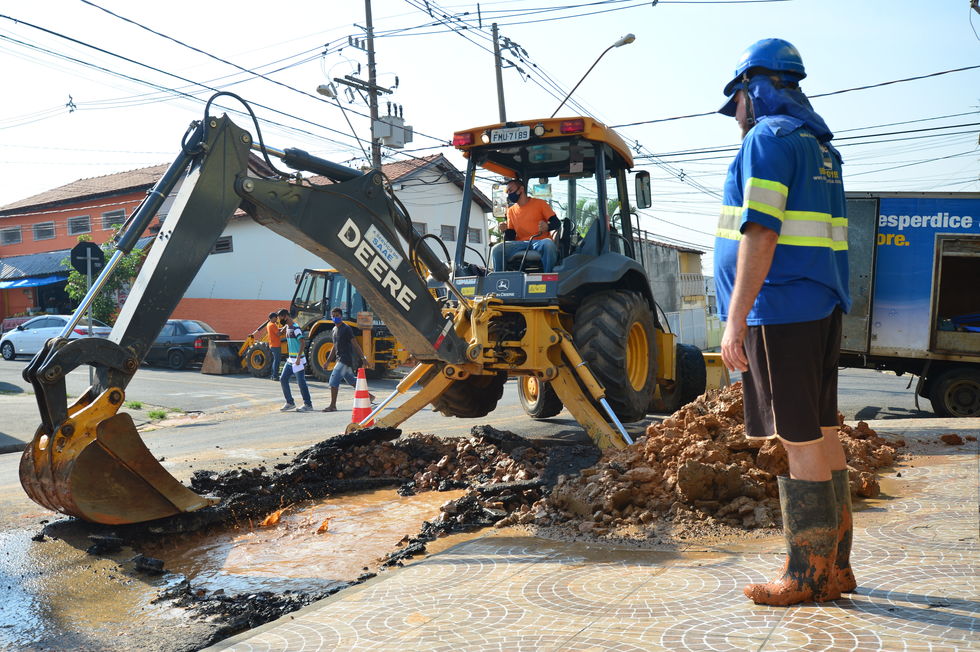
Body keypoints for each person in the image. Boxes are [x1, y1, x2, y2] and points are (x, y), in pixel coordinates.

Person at [714, 38, 852, 606]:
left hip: (781, 307)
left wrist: (735, 320)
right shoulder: (819, 146)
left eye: (737, 101)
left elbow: (762, 232)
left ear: (753, 90)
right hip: (817, 304)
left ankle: (807, 573)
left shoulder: (768, 140)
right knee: (820, 432)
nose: (736, 116)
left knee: (798, 438)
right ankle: (835, 567)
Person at [490, 179, 560, 273]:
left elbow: (556, 223)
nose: (509, 194)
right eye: (507, 192)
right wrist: (505, 230)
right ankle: (500, 281)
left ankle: (548, 276)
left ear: (521, 189)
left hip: (540, 242)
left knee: (549, 244)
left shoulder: (540, 204)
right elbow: (511, 236)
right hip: (520, 244)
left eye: (510, 190)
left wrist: (547, 227)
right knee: (497, 249)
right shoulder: (510, 211)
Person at [322, 307, 374, 412]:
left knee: (333, 381)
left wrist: (363, 358)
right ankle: (369, 396)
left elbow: (355, 344)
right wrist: (328, 361)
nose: (335, 318)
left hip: (345, 359)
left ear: (341, 316)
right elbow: (334, 346)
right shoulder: (334, 329)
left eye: (337, 315)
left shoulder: (346, 328)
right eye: (333, 316)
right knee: (351, 380)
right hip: (339, 359)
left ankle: (333, 405)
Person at [277, 309, 313, 412]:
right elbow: (286, 327)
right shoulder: (288, 326)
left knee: (301, 382)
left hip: (298, 360)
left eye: (281, 319)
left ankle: (308, 404)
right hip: (290, 360)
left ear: (286, 316)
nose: (280, 321)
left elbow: (302, 343)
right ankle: (290, 402)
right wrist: (282, 329)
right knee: (283, 379)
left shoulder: (296, 328)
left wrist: (298, 358)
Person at [250, 312, 284, 381]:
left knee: (275, 360)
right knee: (277, 361)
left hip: (272, 344)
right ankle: (275, 376)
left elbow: (276, 331)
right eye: (276, 318)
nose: (277, 319)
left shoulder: (269, 324)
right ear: (273, 318)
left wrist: (281, 329)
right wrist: (284, 330)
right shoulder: (273, 325)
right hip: (276, 345)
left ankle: (273, 375)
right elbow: (278, 334)